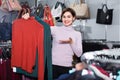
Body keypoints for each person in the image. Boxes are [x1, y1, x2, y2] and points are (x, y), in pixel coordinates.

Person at [51, 8, 83, 79]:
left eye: (69, 17)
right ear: (61, 18)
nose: (66, 19)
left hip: (67, 67)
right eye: (64, 17)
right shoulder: (55, 29)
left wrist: (71, 43)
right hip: (53, 66)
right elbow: (41, 28)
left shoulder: (77, 34)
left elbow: (79, 53)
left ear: (73, 18)